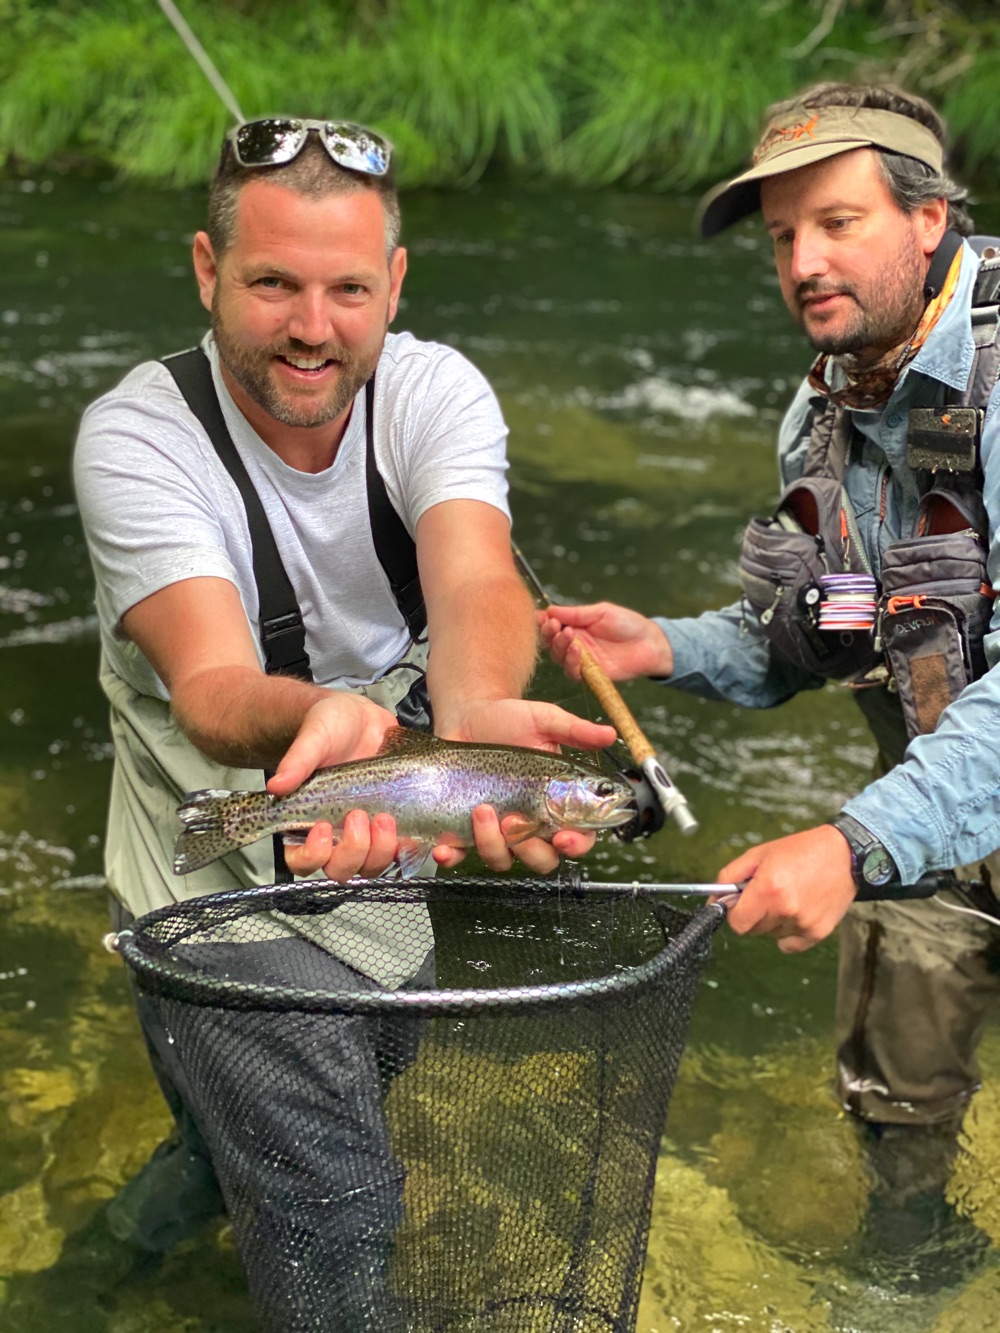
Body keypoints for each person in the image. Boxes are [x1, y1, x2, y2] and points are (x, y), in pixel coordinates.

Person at [72, 117, 616, 1326]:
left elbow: (475, 577)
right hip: (199, 867)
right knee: (339, 1195)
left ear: (396, 284)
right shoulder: (137, 436)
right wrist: (322, 715)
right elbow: (212, 690)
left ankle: (110, 1261)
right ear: (209, 272)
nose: (313, 327)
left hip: (383, 836)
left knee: (323, 1099)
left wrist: (473, 724)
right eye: (272, 283)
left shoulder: (432, 390)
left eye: (347, 289)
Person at [542, 82, 1000, 1277]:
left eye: (836, 221)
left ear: (928, 217)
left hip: (922, 804)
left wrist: (846, 844)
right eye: (782, 235)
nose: (804, 260)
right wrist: (671, 645)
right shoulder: (820, 410)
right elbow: (835, 626)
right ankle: (912, 1253)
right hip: (932, 817)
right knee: (895, 1098)